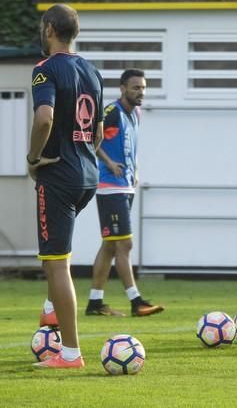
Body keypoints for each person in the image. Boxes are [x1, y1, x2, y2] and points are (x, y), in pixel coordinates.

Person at [29, 4, 104, 368]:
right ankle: (49, 311)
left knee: (57, 263)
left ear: (48, 29)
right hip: (88, 174)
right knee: (60, 256)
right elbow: (98, 133)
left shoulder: (45, 69)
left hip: (58, 174)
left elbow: (45, 118)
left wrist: (32, 159)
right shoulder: (92, 71)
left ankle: (71, 354)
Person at [85, 69, 164, 318]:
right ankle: (136, 300)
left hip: (126, 185)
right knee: (125, 244)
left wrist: (135, 170)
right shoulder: (111, 112)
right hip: (110, 187)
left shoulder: (136, 114)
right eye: (135, 88)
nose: (140, 92)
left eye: (143, 87)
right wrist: (108, 162)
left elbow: (132, 147)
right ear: (122, 88)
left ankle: (95, 303)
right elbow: (90, 139)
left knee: (110, 245)